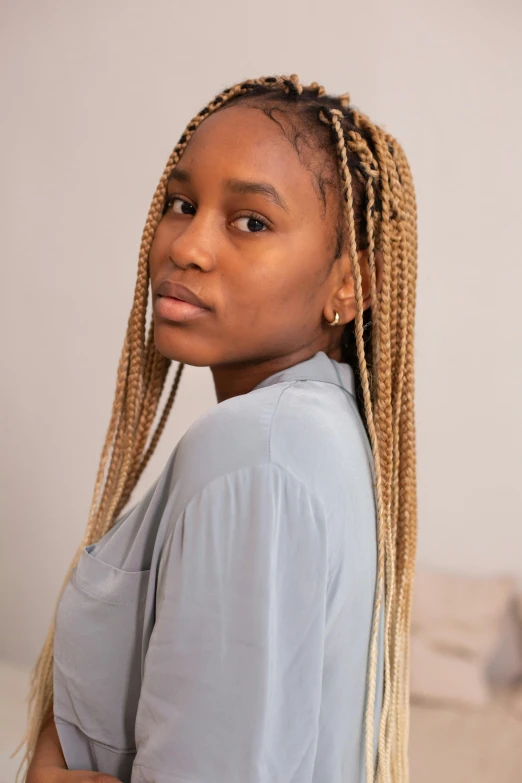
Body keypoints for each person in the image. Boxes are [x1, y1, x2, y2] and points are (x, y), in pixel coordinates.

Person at [16, 73, 418, 783]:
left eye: (251, 221)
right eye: (181, 204)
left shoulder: (258, 450)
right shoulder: (321, 428)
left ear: (349, 284)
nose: (188, 245)